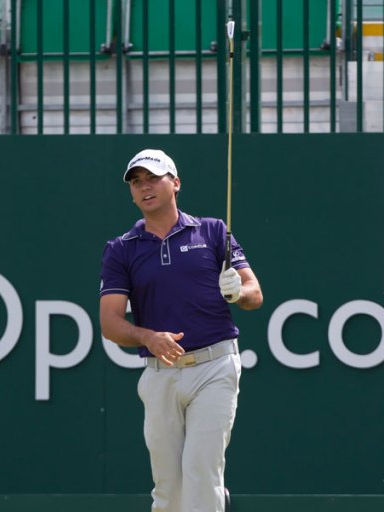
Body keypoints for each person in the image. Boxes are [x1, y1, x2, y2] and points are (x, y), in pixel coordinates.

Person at [99, 149, 263, 512]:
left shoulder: (213, 231)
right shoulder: (121, 250)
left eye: (152, 179)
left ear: (175, 183)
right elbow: (110, 323)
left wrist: (238, 292)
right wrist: (147, 337)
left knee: (201, 472)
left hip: (215, 366)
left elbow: (255, 295)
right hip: (160, 374)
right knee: (169, 489)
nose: (144, 187)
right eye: (136, 182)